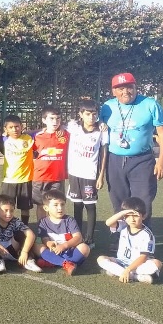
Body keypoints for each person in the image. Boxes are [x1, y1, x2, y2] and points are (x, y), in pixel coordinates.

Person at [100, 72, 163, 229]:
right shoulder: (107, 107)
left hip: (142, 161)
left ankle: (144, 238)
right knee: (118, 202)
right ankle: (121, 237)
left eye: (129, 87)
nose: (126, 92)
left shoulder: (150, 104)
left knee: (143, 202)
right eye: (120, 89)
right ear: (113, 91)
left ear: (135, 87)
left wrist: (162, 161)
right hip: (114, 161)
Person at [66, 99, 108, 247]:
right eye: (88, 114)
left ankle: (90, 239)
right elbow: (57, 127)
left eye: (94, 114)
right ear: (81, 114)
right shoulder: (73, 127)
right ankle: (78, 236)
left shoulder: (102, 131)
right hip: (74, 173)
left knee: (90, 206)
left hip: (90, 174)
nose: (91, 117)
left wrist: (101, 176)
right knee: (77, 205)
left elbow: (104, 154)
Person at [96, 197, 162, 284]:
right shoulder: (124, 226)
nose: (132, 219)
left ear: (144, 216)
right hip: (121, 262)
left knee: (157, 263)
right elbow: (108, 223)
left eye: (135, 216)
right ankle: (136, 277)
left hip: (138, 265)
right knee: (101, 259)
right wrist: (123, 212)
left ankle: (120, 272)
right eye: (128, 216)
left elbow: (143, 257)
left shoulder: (147, 235)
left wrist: (128, 269)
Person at [33, 190, 91, 276]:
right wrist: (49, 243)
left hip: (69, 252)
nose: (60, 208)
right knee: (36, 246)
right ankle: (65, 263)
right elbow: (44, 239)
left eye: (62, 204)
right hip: (53, 251)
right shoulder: (43, 222)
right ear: (46, 208)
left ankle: (52, 262)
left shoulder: (70, 220)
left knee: (85, 248)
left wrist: (64, 246)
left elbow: (78, 238)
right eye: (56, 205)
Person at [0, 194, 42, 273]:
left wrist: (25, 252)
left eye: (11, 210)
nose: (9, 214)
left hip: (11, 249)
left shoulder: (15, 221)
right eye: (5, 210)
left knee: (22, 234)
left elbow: (31, 235)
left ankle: (28, 260)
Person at [31, 105, 69, 222]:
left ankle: (54, 229)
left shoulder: (66, 134)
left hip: (57, 177)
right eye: (51, 118)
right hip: (40, 177)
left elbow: (80, 126)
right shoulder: (36, 136)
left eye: (58, 118)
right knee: (41, 205)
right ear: (44, 120)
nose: (55, 121)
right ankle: (42, 229)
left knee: (57, 204)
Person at [0, 114, 34, 224]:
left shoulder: (29, 138)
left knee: (25, 207)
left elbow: (43, 131)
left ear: (21, 126)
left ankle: (24, 227)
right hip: (8, 180)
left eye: (17, 126)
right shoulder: (2, 140)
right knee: (6, 207)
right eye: (11, 127)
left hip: (25, 179)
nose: (14, 129)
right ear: (6, 129)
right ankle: (7, 227)